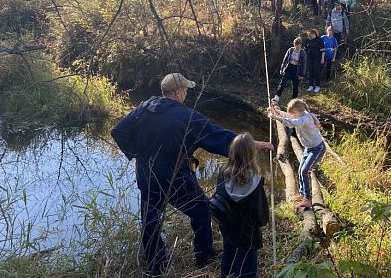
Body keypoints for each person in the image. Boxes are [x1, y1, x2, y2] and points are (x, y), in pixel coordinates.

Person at [111, 73, 273, 275]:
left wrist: (138, 155)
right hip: (175, 178)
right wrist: (252, 145)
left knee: (150, 220)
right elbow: (218, 136)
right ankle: (204, 256)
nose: (186, 93)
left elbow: (118, 132)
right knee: (201, 210)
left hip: (146, 175)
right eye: (186, 90)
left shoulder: (144, 107)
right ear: (178, 92)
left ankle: (156, 265)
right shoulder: (187, 117)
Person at [215, 132, 269, 278]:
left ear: (232, 152)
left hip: (227, 226)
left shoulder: (223, 174)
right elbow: (262, 214)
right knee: (248, 265)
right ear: (251, 154)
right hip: (248, 232)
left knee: (228, 254)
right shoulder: (256, 181)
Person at [267, 99, 326, 208]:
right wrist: (276, 112)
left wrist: (276, 117)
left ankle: (308, 199)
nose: (292, 115)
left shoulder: (305, 118)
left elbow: (291, 123)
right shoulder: (300, 115)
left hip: (317, 148)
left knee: (305, 170)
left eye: (293, 113)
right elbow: (289, 116)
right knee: (300, 170)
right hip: (309, 148)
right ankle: (302, 193)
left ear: (298, 112)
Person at [272, 37, 307, 104]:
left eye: (297, 45)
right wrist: (282, 69)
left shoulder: (303, 52)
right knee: (283, 82)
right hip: (289, 68)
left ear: (300, 44)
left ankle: (294, 100)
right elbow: (285, 60)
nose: (296, 46)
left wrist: (302, 74)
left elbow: (304, 64)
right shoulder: (290, 50)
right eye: (295, 45)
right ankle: (277, 97)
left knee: (295, 85)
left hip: (297, 69)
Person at [305, 28, 325, 93]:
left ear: (314, 34)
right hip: (309, 58)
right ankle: (310, 86)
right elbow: (305, 49)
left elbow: (323, 50)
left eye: (310, 35)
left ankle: (317, 86)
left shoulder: (319, 40)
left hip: (317, 58)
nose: (309, 36)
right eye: (308, 35)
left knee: (317, 72)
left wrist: (322, 58)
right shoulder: (308, 40)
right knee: (310, 72)